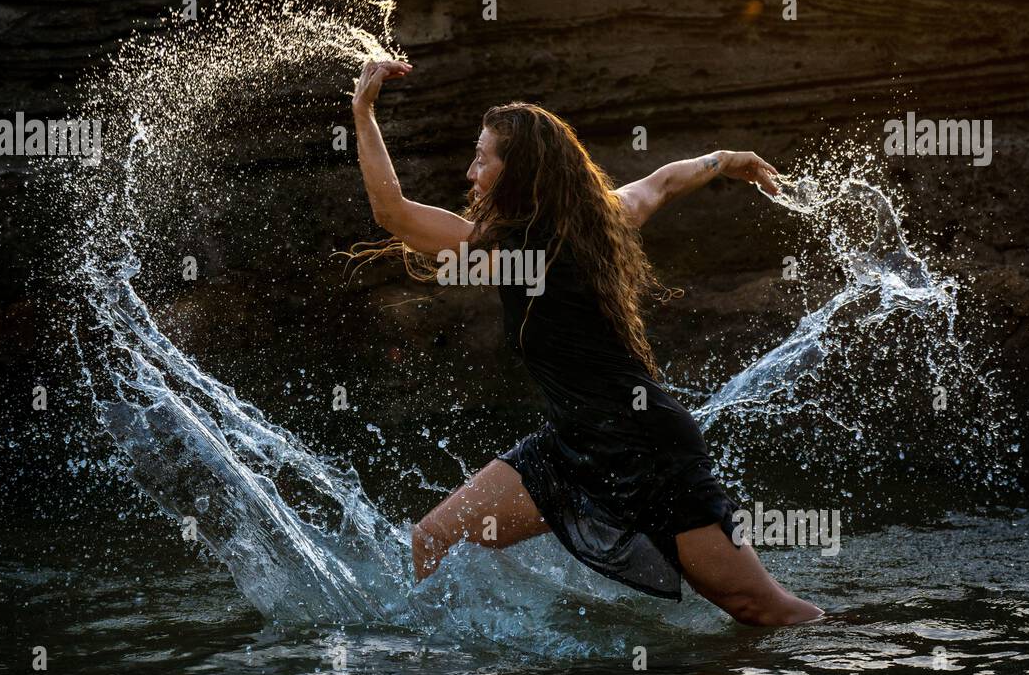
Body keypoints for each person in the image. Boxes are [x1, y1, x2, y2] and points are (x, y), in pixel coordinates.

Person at [348, 58, 823, 626]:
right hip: (570, 446)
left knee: (758, 606)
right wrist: (726, 160)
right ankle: (454, 670)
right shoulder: (604, 218)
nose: (470, 171)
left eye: (482, 157)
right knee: (433, 539)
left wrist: (363, 111)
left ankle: (853, 654)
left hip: (645, 448)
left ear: (517, 172)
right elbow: (666, 182)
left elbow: (392, 211)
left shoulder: (520, 257)